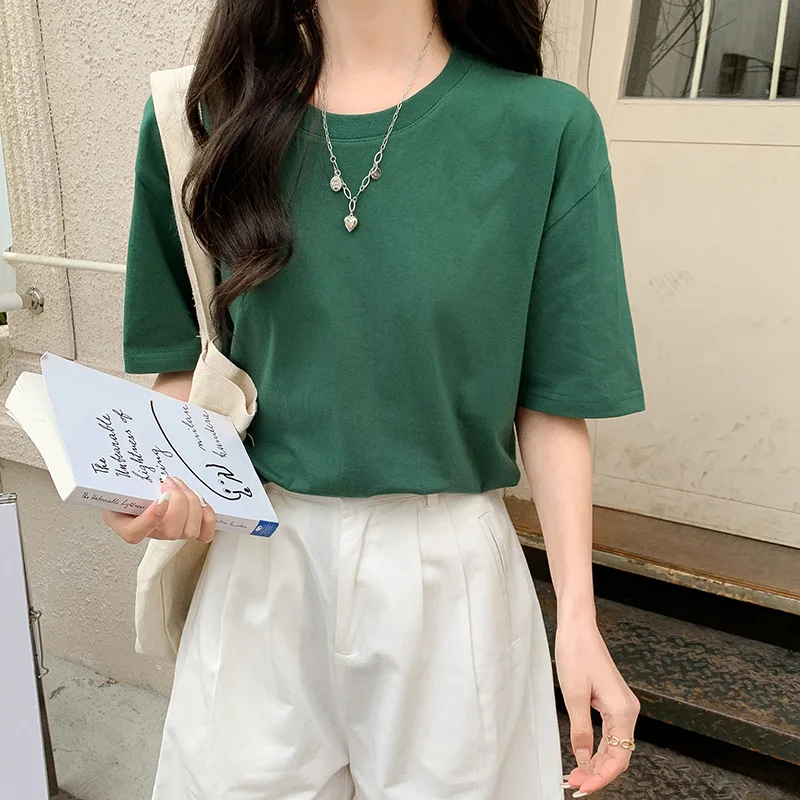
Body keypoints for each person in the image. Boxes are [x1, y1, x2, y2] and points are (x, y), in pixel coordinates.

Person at [106, 0, 645, 797]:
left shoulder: (544, 128)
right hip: (260, 563)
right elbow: (187, 363)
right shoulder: (201, 121)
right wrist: (153, 482)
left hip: (451, 578)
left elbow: (552, 401)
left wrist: (577, 616)